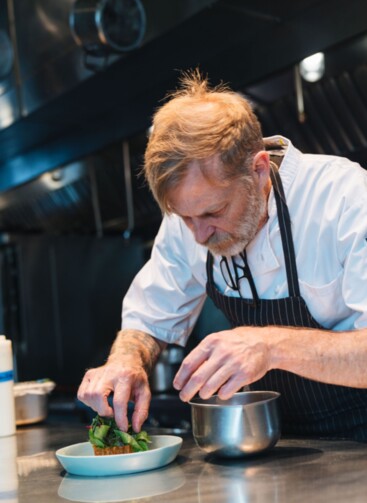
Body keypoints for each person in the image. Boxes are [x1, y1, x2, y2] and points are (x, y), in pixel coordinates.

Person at [78, 70, 367, 441]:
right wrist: (127, 360)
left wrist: (269, 344)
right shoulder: (191, 218)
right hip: (278, 443)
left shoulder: (343, 198)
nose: (198, 234)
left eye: (214, 213)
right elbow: (149, 319)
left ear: (259, 170)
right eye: (185, 218)